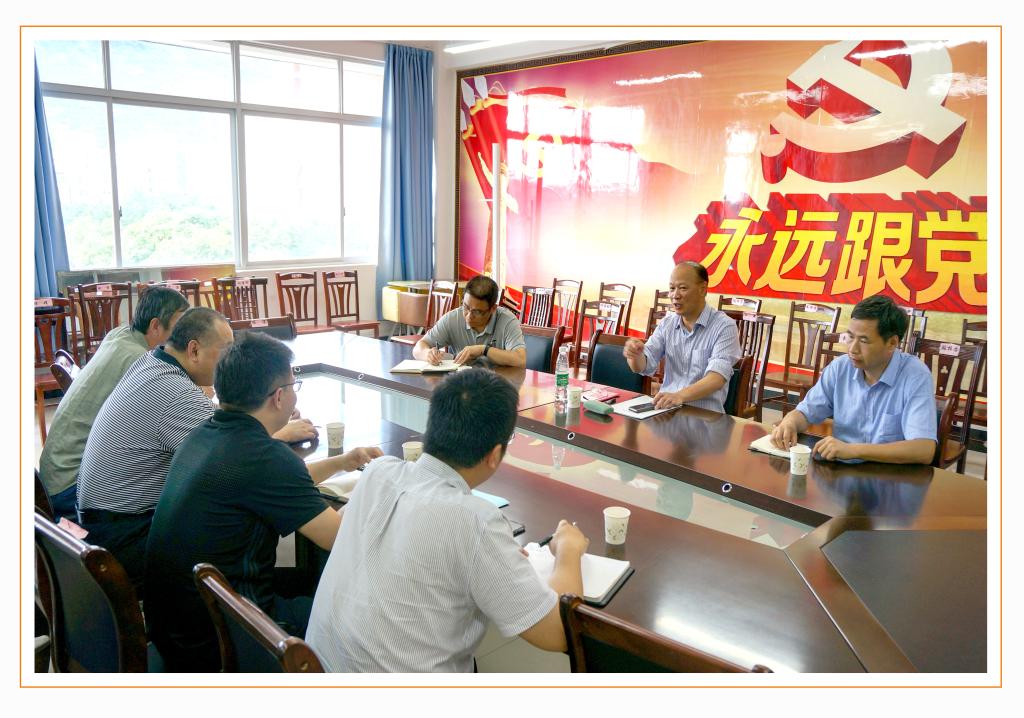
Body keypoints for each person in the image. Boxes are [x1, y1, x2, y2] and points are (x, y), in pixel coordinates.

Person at [305, 369, 588, 672]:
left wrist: (488, 556)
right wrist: (568, 550)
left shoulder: (378, 471)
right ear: (495, 454)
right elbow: (558, 633)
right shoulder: (476, 521)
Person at [145, 332, 382, 671]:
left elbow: (279, 482)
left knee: (306, 574)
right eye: (294, 385)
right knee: (359, 611)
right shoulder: (265, 456)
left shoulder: (205, 433)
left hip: (175, 625)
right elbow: (339, 537)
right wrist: (376, 489)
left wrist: (343, 462)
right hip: (227, 637)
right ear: (279, 397)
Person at [76, 307, 315, 585]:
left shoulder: (151, 363)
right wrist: (281, 430)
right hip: (126, 536)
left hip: (100, 520)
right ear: (194, 350)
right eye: (226, 350)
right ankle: (276, 594)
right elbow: (233, 451)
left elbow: (223, 429)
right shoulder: (177, 395)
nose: (231, 359)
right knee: (251, 514)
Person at [38, 286, 190, 521]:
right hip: (71, 486)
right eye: (179, 328)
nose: (184, 335)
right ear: (155, 326)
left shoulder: (119, 335)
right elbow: (174, 410)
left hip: (54, 472)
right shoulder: (140, 360)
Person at [769, 295, 937, 464]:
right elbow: (806, 412)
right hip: (840, 471)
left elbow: (924, 449)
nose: (852, 349)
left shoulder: (915, 375)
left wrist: (854, 450)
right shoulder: (840, 368)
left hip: (889, 473)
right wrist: (790, 422)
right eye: (850, 337)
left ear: (892, 343)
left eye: (863, 340)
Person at [622, 261, 741, 412]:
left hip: (705, 416)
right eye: (672, 288)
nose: (675, 295)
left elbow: (717, 377)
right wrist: (635, 355)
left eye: (683, 288)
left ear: (703, 289)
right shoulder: (667, 324)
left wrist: (680, 396)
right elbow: (642, 366)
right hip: (667, 410)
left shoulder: (724, 326)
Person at [412, 274, 526, 367]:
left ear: (493, 309)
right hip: (461, 382)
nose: (469, 316)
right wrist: (428, 354)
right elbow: (418, 348)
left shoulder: (507, 321)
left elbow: (520, 359)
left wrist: (484, 350)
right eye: (466, 307)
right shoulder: (453, 318)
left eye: (477, 312)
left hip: (496, 382)